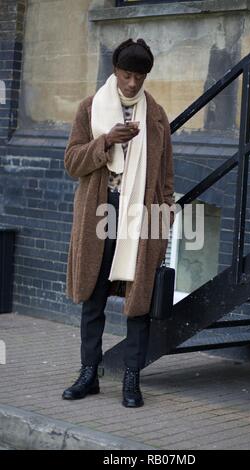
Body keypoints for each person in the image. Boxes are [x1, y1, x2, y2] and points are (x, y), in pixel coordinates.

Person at [62, 38, 175, 408]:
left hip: (140, 217)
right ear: (115, 70)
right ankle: (88, 374)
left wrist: (164, 220)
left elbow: (167, 177)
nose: (132, 83)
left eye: (139, 76)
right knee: (93, 297)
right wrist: (106, 141)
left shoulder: (156, 116)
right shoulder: (90, 108)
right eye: (127, 74)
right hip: (99, 212)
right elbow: (72, 162)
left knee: (138, 303)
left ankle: (131, 380)